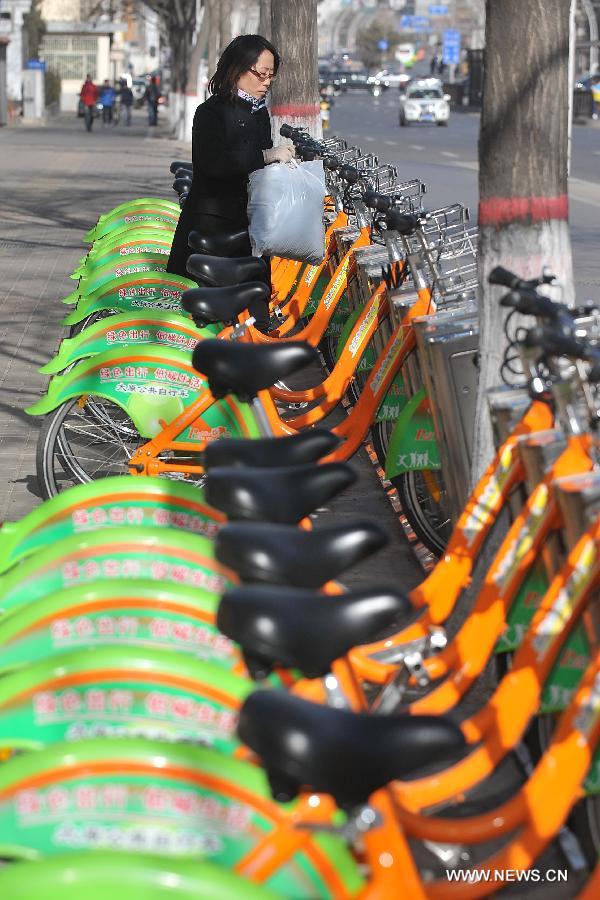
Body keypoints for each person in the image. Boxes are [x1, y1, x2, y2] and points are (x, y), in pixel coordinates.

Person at [167, 34, 294, 332]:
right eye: (260, 74)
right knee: (223, 311)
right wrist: (265, 155)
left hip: (251, 221)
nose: (266, 82)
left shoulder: (259, 113)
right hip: (215, 224)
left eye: (271, 75)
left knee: (256, 309)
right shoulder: (211, 113)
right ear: (237, 69)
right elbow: (213, 165)